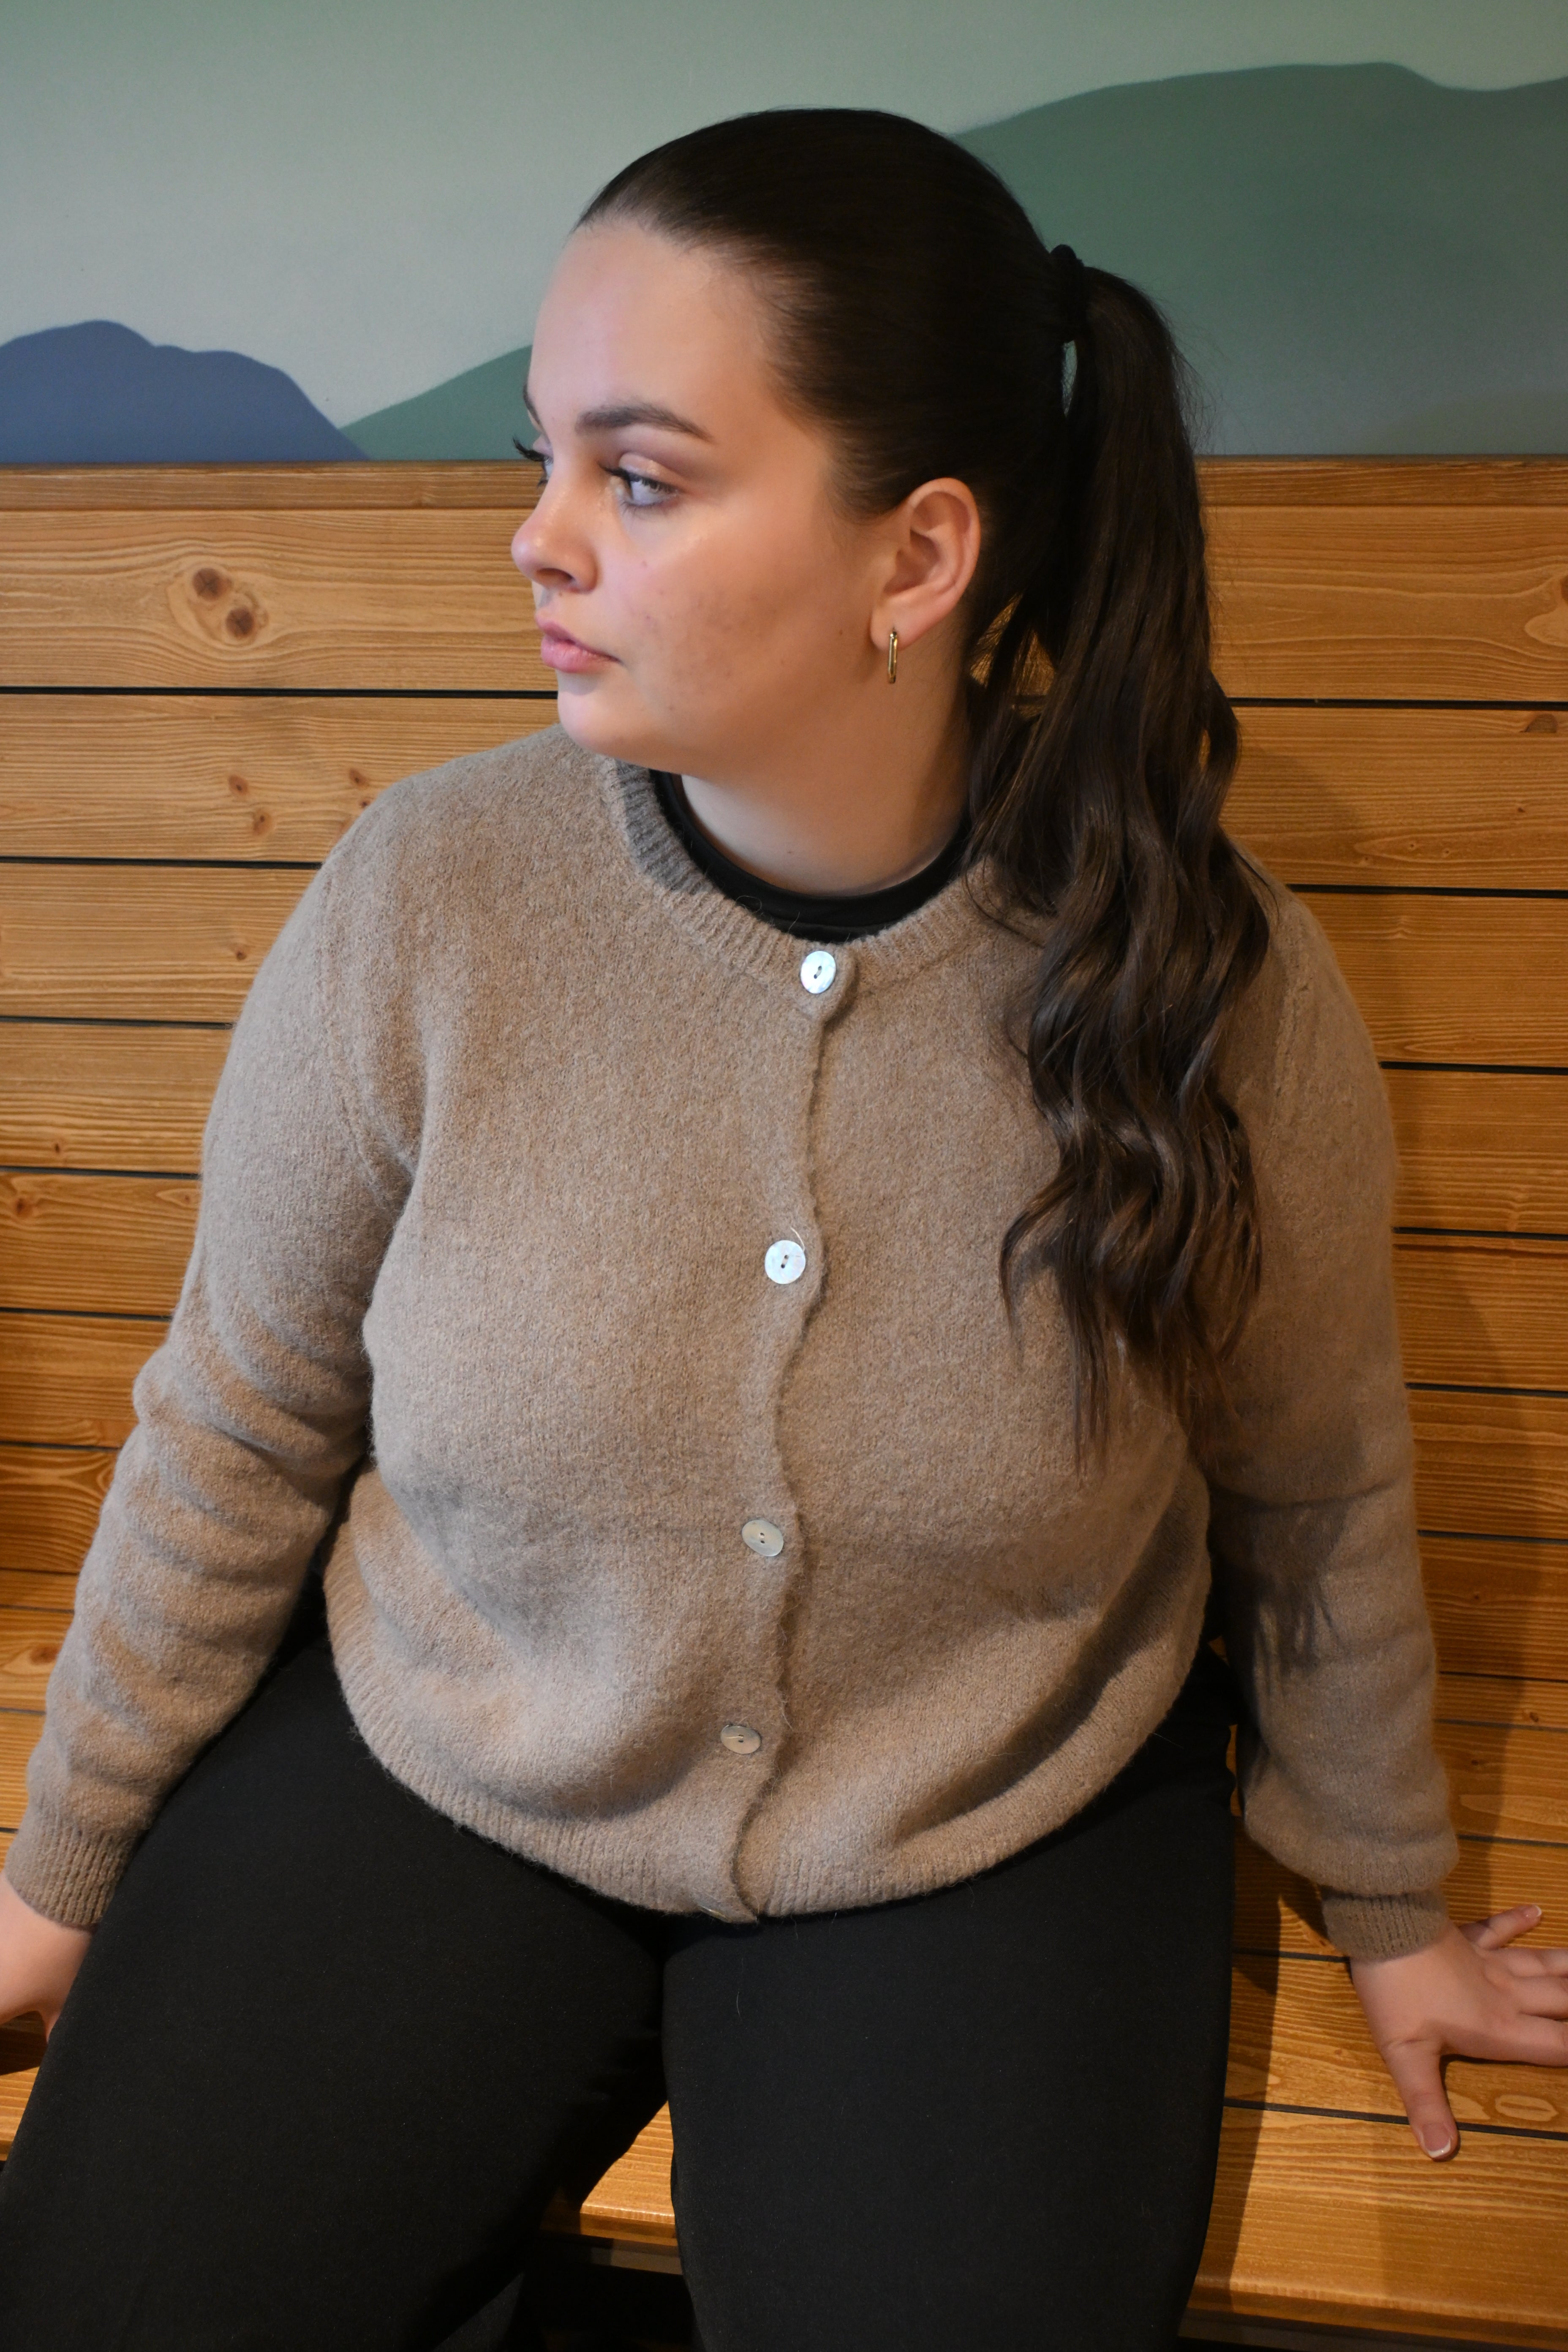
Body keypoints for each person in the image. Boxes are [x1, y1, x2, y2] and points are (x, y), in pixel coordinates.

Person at [0, 105, 1564, 2352]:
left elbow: (1311, 1478)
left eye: (638, 478)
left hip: (985, 1813)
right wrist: (61, 1874)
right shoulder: (429, 899)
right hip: (459, 1752)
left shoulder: (1205, 978)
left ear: (916, 557)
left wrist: (1390, 1901)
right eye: (545, 457)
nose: (536, 539)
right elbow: (241, 1421)